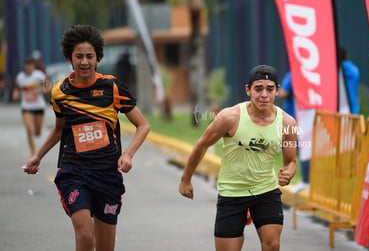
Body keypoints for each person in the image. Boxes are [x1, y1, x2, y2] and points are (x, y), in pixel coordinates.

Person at [23, 25, 150, 251]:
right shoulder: (60, 92)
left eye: (89, 56)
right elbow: (59, 129)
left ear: (98, 58)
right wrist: (37, 156)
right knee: (85, 236)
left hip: (107, 175)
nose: (84, 62)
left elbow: (143, 125)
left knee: (104, 247)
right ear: (69, 58)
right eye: (78, 56)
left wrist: (128, 154)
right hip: (74, 172)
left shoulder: (112, 88)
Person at [179, 65, 297, 251]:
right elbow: (202, 145)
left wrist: (288, 173)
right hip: (232, 192)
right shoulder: (229, 117)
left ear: (277, 91)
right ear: (248, 90)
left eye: (269, 89)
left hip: (265, 189)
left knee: (272, 244)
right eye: (258, 89)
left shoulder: (287, 123)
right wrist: (186, 179)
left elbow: (291, 161)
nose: (264, 94)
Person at [13, 57, 47, 155]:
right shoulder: (20, 77)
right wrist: (15, 94)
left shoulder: (39, 75)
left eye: (30, 65)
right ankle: (34, 153)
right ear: (24, 66)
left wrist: (41, 91)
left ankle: (36, 134)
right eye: (27, 66)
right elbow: (17, 88)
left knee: (37, 132)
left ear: (33, 66)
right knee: (29, 129)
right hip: (26, 107)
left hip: (39, 106)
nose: (28, 68)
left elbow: (47, 86)